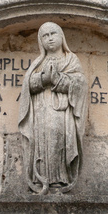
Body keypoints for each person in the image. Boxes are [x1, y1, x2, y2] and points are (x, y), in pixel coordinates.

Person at [17, 22, 88, 194]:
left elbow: (79, 83)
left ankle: (60, 178)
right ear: (40, 41)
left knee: (58, 139)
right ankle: (40, 177)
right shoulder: (38, 62)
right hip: (41, 111)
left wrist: (57, 79)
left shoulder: (70, 60)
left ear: (61, 37)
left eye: (53, 34)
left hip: (62, 113)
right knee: (42, 142)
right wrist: (43, 79)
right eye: (45, 36)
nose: (49, 39)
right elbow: (28, 86)